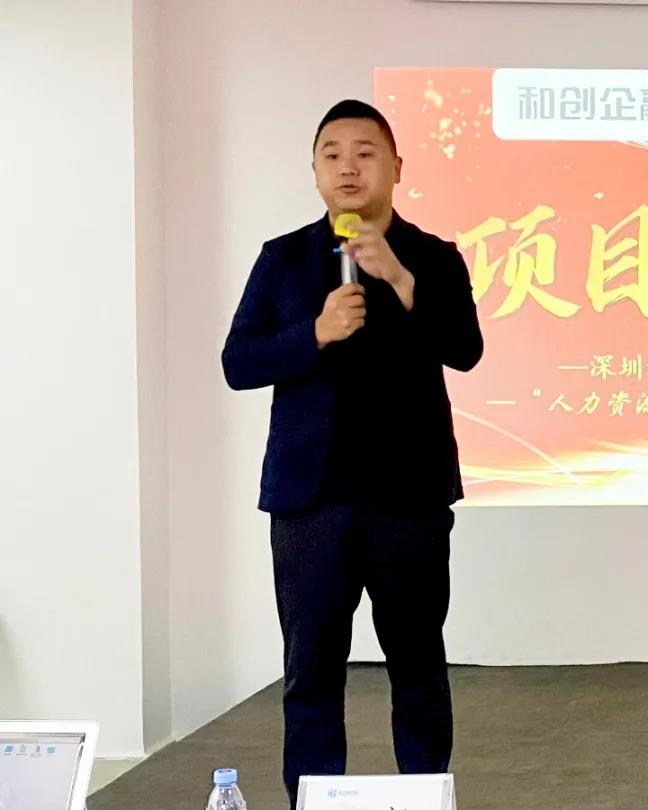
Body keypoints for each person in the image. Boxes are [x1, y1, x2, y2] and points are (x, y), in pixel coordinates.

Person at [221, 99, 483, 809]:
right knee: (311, 672)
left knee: (418, 666)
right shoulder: (282, 259)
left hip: (409, 499)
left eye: (365, 152)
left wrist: (399, 280)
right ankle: (311, 800)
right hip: (309, 503)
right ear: (314, 171)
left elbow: (465, 350)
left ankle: (425, 795)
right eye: (331, 153)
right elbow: (239, 362)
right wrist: (314, 333)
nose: (348, 166)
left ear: (397, 167)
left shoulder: (433, 258)